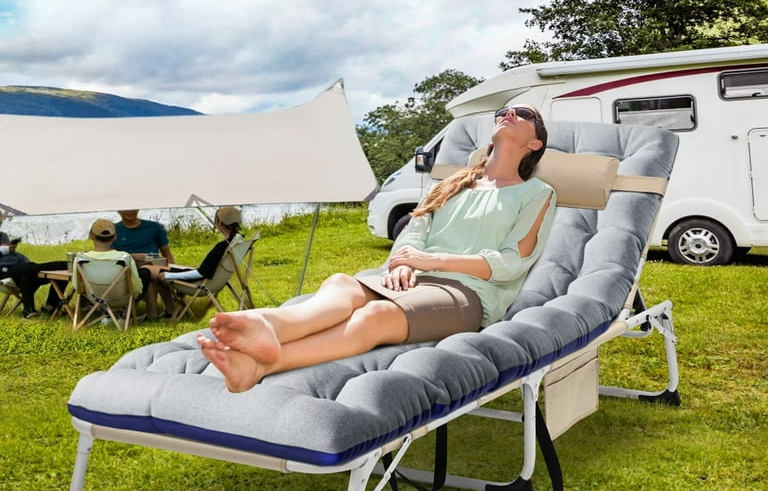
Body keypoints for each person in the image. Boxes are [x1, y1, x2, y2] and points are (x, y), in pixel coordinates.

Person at [197, 104, 557, 393]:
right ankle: (268, 326)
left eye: (524, 115)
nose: (509, 114)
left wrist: (429, 260)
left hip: (467, 294)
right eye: (504, 112)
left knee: (374, 317)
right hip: (413, 279)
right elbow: (414, 233)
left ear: (535, 144)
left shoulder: (535, 193)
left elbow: (512, 263)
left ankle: (267, 361)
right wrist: (403, 263)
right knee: (341, 282)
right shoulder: (451, 184)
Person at [140, 206, 244, 319]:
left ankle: (138, 310)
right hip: (209, 280)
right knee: (156, 268)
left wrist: (170, 276)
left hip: (199, 283)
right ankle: (169, 311)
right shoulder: (237, 241)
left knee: (148, 269)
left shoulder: (221, 247)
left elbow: (202, 273)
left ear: (218, 222)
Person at [73, 219, 145, 303]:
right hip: (121, 299)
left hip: (93, 299)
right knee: (145, 273)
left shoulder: (81, 258)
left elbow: (77, 286)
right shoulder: (124, 257)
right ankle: (125, 314)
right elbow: (136, 286)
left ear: (92, 236)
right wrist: (136, 294)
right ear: (115, 237)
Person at [0, 233, 68, 319]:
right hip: (6, 273)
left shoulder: (17, 254)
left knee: (64, 267)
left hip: (28, 273)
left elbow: (26, 263)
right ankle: (28, 310)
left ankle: (50, 306)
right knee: (28, 268)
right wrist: (3, 250)